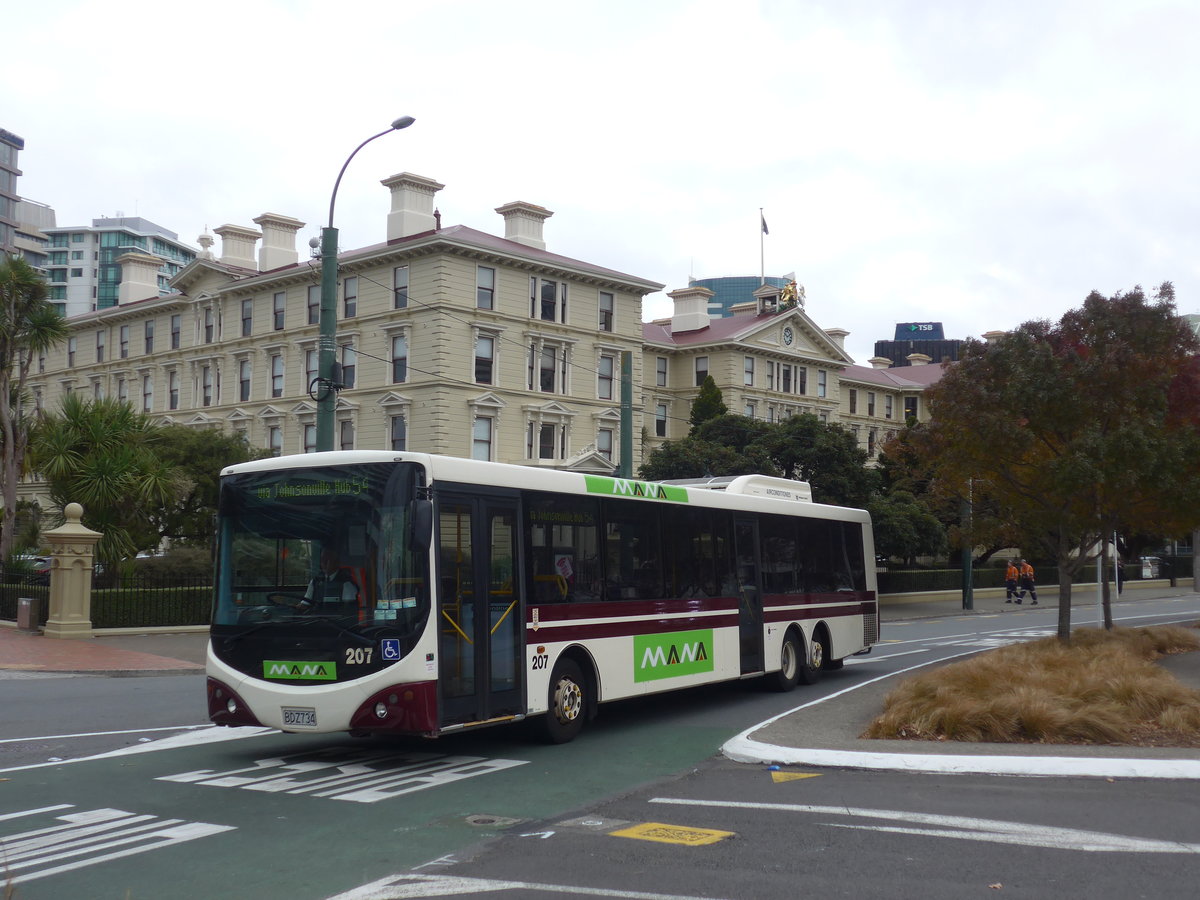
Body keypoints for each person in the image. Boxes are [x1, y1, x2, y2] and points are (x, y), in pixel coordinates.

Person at [299, 546, 361, 613]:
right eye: (323, 559)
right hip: (314, 621)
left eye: (328, 560)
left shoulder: (347, 584)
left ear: (337, 563)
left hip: (336, 622)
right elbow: (305, 604)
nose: (324, 563)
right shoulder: (315, 582)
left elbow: (348, 611)